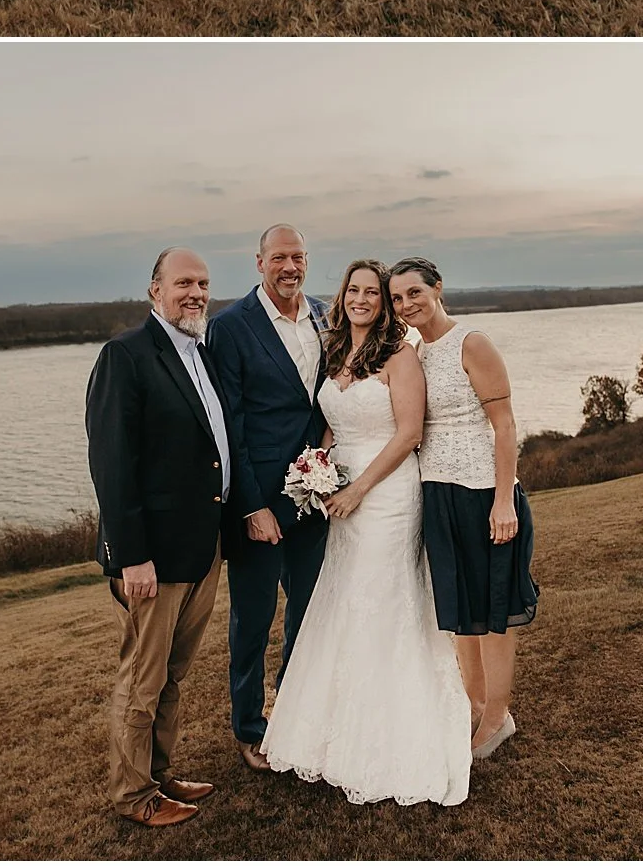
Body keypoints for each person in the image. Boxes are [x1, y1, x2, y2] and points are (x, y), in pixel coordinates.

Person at [261, 259, 471, 807]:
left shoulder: (399, 356)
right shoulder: (336, 352)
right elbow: (334, 422)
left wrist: (359, 489)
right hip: (342, 490)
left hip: (388, 492)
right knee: (344, 600)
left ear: (383, 303)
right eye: (352, 290)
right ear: (343, 296)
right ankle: (330, 736)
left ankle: (391, 741)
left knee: (383, 602)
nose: (360, 299)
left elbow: (408, 434)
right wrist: (318, 468)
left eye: (372, 293)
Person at [84, 251, 230, 829]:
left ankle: (160, 774)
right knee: (142, 678)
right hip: (154, 555)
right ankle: (131, 794)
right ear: (155, 290)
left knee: (172, 673)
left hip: (203, 545)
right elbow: (112, 463)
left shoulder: (201, 352)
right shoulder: (125, 355)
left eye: (203, 284)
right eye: (183, 283)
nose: (195, 293)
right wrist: (132, 554)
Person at [388, 255, 537, 761]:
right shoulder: (412, 354)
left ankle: (499, 717)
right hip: (437, 494)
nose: (406, 304)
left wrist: (502, 502)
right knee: (460, 610)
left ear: (437, 288)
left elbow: (506, 426)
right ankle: (474, 704)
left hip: (482, 494)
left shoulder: (472, 343)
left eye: (414, 292)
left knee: (493, 610)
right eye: (397, 298)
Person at [204, 224, 330, 770]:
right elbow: (229, 424)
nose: (290, 266)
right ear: (258, 263)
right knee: (253, 619)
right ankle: (249, 726)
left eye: (298, 256)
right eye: (279, 257)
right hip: (259, 500)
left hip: (316, 492)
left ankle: (296, 708)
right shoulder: (230, 327)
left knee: (310, 610)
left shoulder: (327, 314)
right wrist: (252, 505)